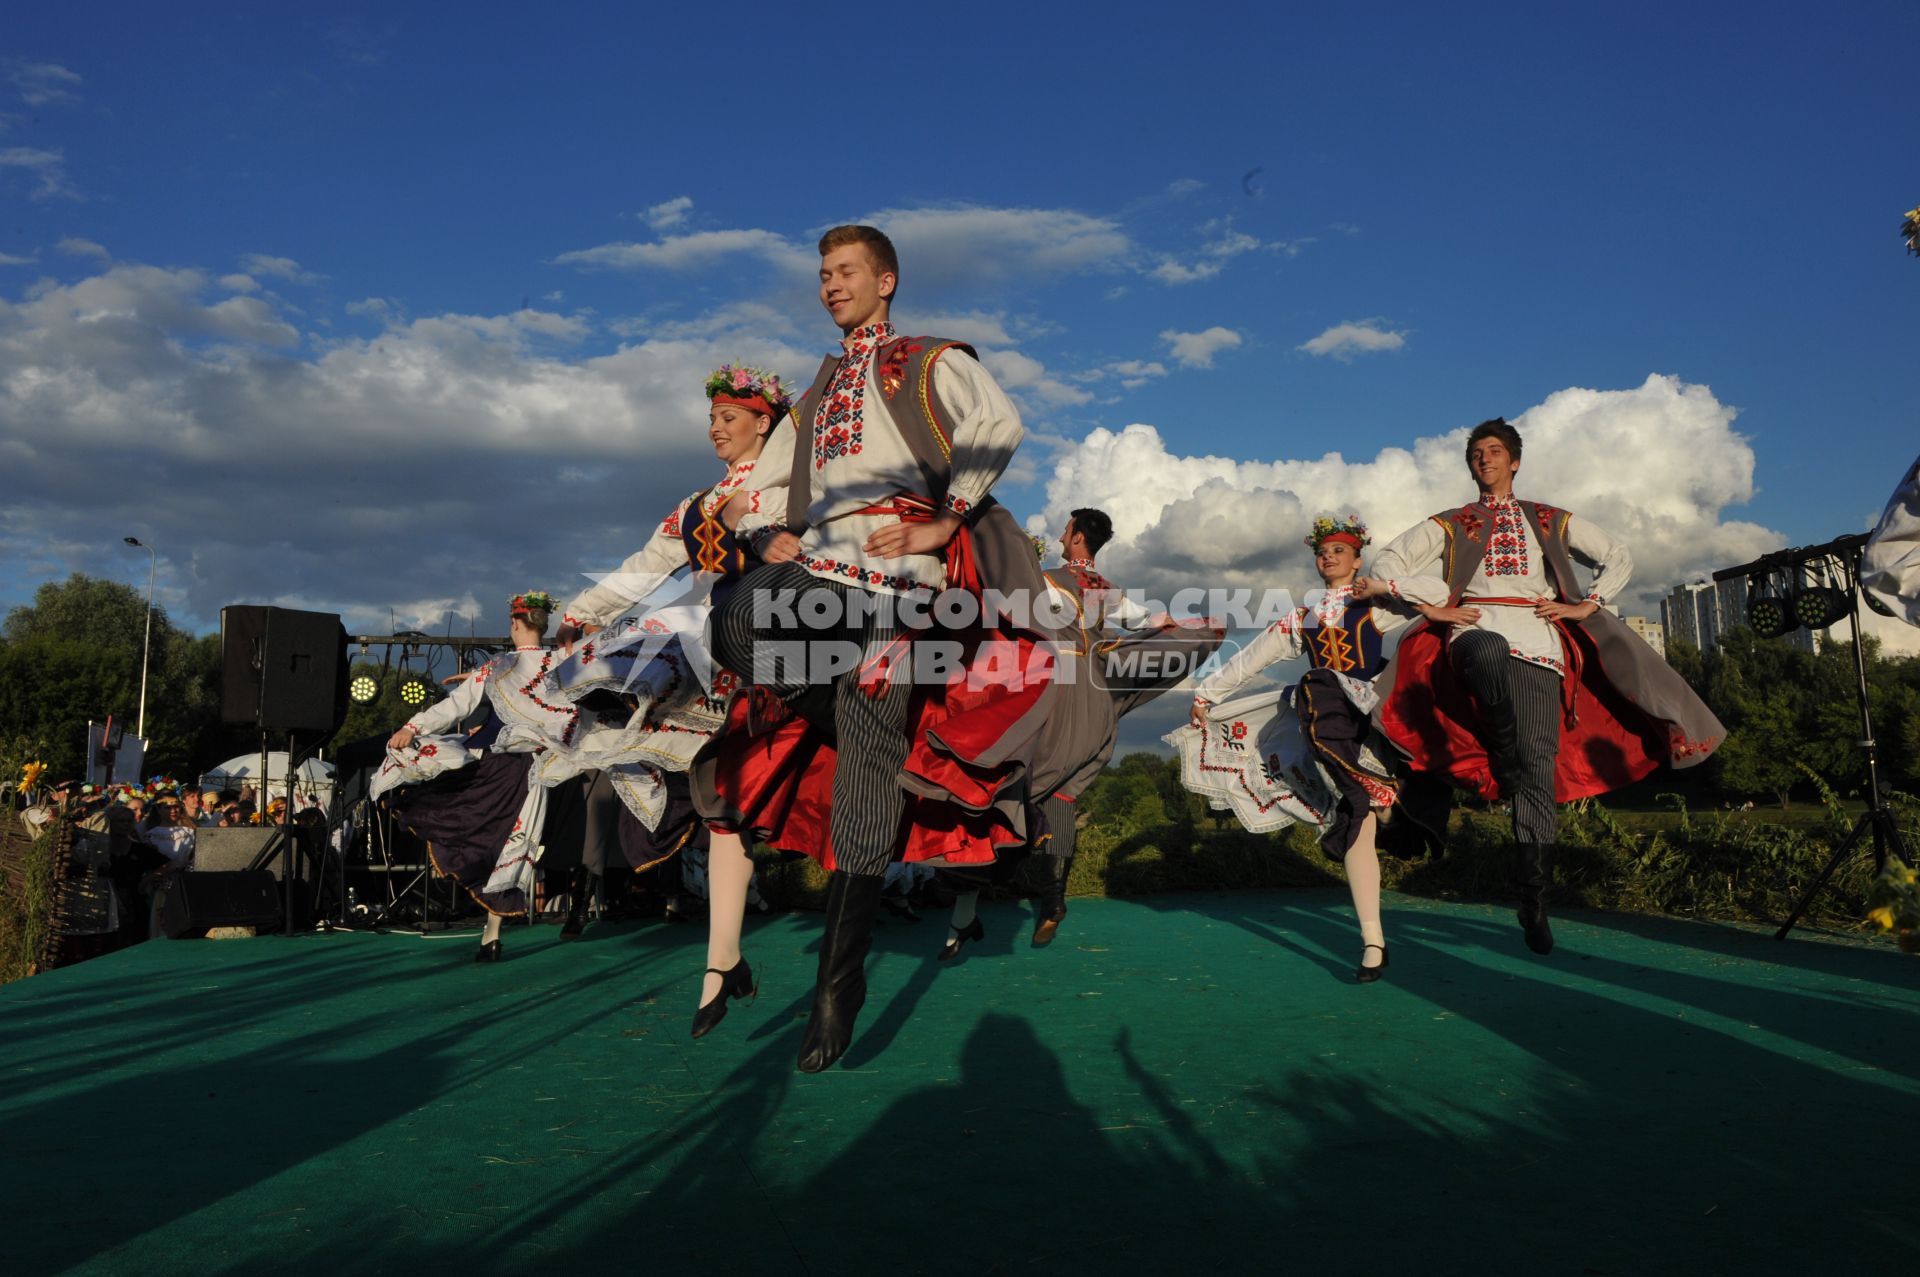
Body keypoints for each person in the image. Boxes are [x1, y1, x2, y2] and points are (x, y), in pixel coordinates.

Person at [705, 223, 1045, 1072]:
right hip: (822, 565)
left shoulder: (929, 360)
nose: (830, 284)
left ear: (885, 281)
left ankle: (836, 985)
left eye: (846, 271)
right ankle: (854, 708)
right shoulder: (818, 388)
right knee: (736, 620)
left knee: (862, 787)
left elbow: (999, 420)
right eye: (823, 273)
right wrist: (755, 531)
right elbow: (760, 490)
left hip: (900, 577)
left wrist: (949, 513)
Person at [1353, 418, 1724, 954]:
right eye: (1476, 453)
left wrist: (1586, 604)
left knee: (1536, 770)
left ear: (1515, 461)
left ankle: (1533, 897)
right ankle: (1499, 746)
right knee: (1485, 652)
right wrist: (1429, 603)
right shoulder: (1454, 521)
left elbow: (1616, 553)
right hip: (1472, 628)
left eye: (1495, 451)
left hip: (1541, 639)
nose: (1484, 459)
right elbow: (1389, 560)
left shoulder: (1548, 518)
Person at [550, 361, 796, 1037]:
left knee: (795, 783)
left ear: (764, 421)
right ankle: (722, 962)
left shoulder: (794, 484)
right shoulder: (697, 505)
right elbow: (644, 567)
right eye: (712, 419)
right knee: (724, 802)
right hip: (729, 656)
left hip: (796, 646)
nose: (716, 428)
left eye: (729, 417)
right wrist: (582, 610)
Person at [940, 507, 1223, 956]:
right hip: (1096, 705)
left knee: (1005, 792)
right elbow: (1155, 623)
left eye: (1065, 528)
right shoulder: (1108, 591)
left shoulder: (1045, 581)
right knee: (1060, 797)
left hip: (1058, 694)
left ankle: (967, 905)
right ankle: (1050, 901)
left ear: (1075, 537)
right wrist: (1182, 628)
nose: (1061, 533)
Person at [1168, 514, 1412, 980]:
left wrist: (1384, 587)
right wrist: (1206, 694)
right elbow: (1251, 657)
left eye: (1339, 550)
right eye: (1322, 551)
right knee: (1354, 811)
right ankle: (1374, 941)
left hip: (1371, 722)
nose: (1328, 557)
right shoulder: (1302, 619)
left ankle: (1377, 799)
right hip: (1326, 723)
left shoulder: (1378, 608)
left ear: (1358, 558)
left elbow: (1437, 599)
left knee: (1358, 812)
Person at [380, 591, 587, 962]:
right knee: (516, 847)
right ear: (545, 624)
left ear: (514, 624)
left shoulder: (501, 665)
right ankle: (494, 933)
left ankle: (492, 934)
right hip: (550, 772)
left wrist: (413, 727)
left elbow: (457, 705)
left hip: (504, 771)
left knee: (486, 842)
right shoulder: (565, 662)